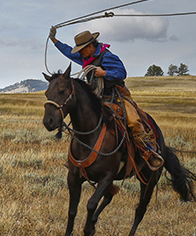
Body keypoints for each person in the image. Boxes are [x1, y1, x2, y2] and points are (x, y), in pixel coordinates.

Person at [49, 28, 163, 170]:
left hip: (117, 96)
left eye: (81, 50)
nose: (79, 53)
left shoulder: (107, 57)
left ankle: (148, 151)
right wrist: (54, 40)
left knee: (133, 122)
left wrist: (104, 73)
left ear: (90, 47)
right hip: (98, 97)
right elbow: (68, 51)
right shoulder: (86, 56)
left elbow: (122, 73)